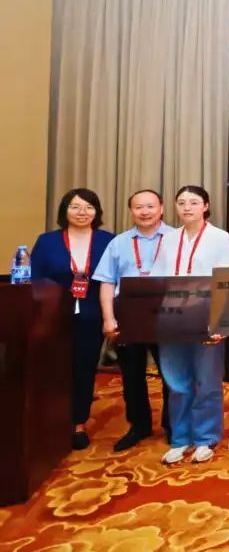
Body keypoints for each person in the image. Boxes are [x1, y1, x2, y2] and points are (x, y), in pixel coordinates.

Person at [150, 185, 229, 465]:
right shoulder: (168, 239)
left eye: (194, 202)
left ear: (206, 206)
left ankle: (205, 438)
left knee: (207, 380)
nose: (187, 207)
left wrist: (221, 321)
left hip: (205, 316)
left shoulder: (220, 238)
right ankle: (180, 438)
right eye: (182, 202)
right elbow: (157, 279)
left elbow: (226, 281)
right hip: (172, 317)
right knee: (176, 382)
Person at [30, 188, 115, 450]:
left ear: (96, 212)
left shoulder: (108, 241)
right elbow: (35, 280)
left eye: (89, 207)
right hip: (53, 316)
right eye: (75, 207)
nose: (82, 212)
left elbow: (114, 279)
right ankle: (51, 420)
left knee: (84, 369)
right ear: (64, 211)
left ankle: (78, 423)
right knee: (53, 368)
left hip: (92, 316)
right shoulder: (47, 241)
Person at [92, 189, 173, 451]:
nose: (145, 212)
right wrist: (108, 318)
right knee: (132, 374)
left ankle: (173, 425)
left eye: (150, 206)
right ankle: (139, 425)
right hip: (128, 314)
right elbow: (106, 282)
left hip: (167, 314)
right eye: (139, 207)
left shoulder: (177, 238)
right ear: (131, 211)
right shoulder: (119, 243)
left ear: (161, 208)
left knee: (171, 374)